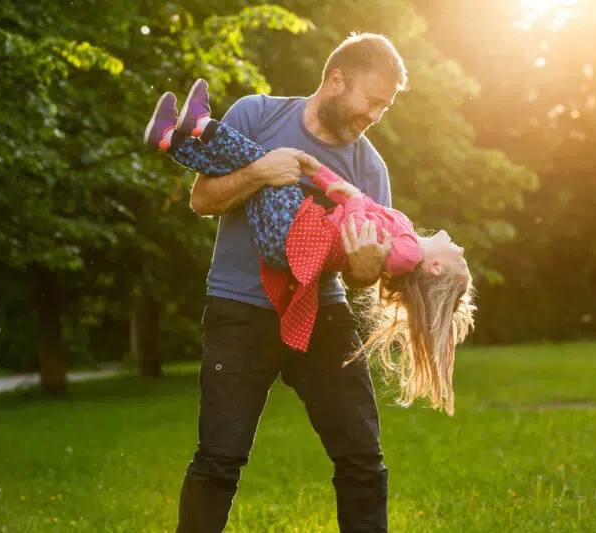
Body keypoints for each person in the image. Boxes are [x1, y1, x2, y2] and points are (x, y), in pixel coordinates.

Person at [152, 33, 427, 533]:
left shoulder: (370, 168)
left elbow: (363, 274)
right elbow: (203, 200)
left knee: (363, 459)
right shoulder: (257, 115)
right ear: (336, 80)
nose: (375, 116)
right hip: (240, 311)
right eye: (371, 101)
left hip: (324, 312)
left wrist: (366, 272)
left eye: (385, 108)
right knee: (218, 461)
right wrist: (259, 172)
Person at [145, 80, 475, 414]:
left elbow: (358, 228)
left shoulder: (407, 254)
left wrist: (353, 200)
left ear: (435, 268)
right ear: (337, 79)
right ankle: (169, 139)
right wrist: (319, 174)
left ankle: (200, 125)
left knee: (263, 162)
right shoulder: (404, 234)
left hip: (294, 233)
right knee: (250, 168)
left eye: (460, 261)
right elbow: (353, 200)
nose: (462, 251)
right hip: (289, 239)